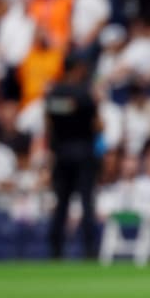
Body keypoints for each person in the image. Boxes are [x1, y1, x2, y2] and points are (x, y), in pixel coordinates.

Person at [45, 53, 101, 259]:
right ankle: (89, 250)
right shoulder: (85, 94)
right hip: (84, 152)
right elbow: (97, 124)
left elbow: (49, 123)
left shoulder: (53, 93)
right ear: (76, 69)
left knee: (61, 203)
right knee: (86, 202)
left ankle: (55, 250)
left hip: (61, 153)